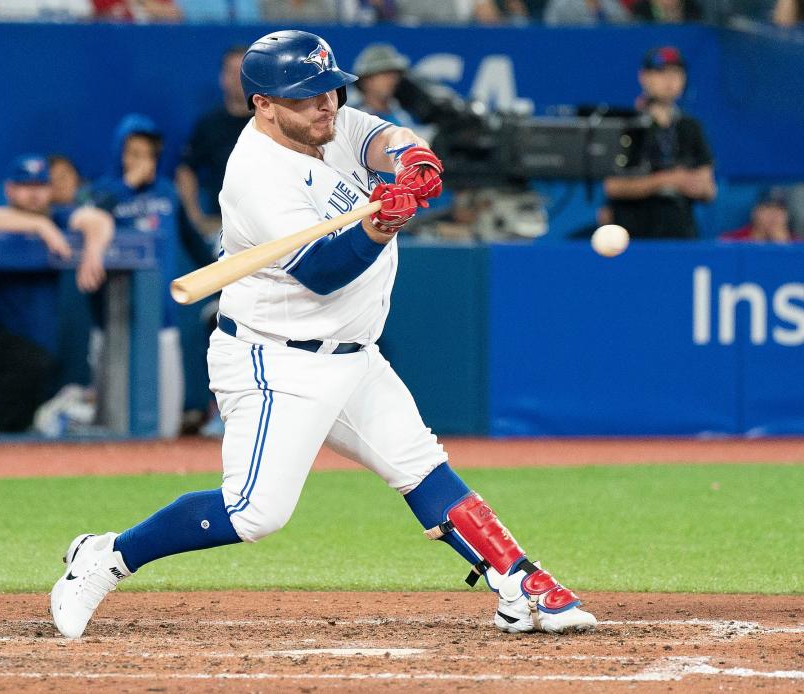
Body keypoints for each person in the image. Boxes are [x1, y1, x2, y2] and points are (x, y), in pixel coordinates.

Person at [49, 29, 596, 640]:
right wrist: (386, 223)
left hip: (353, 354)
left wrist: (413, 160)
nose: (327, 105)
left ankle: (518, 582)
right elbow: (322, 273)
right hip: (276, 359)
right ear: (264, 104)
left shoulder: (324, 122)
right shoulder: (256, 175)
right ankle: (106, 555)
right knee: (253, 513)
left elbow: (381, 136)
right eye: (308, 97)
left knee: (421, 468)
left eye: (330, 91)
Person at [0, 154, 113, 433]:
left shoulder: (58, 216)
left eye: (40, 186)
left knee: (24, 406)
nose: (33, 194)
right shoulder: (4, 219)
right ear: (10, 189)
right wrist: (40, 226)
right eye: (25, 186)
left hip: (34, 342)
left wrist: (94, 247)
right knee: (28, 366)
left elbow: (99, 220)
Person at [88, 114, 185, 438]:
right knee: (114, 422)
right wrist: (127, 185)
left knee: (167, 422)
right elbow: (90, 209)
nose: (141, 162)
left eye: (147, 155)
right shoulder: (103, 192)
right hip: (114, 323)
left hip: (163, 320)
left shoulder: (168, 193)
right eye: (133, 153)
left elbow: (194, 242)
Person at [604, 46, 716, 239]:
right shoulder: (626, 125)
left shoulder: (690, 127)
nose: (670, 80)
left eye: (676, 73)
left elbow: (708, 189)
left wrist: (696, 185)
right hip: (634, 235)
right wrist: (668, 180)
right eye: (661, 72)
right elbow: (613, 186)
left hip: (680, 234)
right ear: (644, 77)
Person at [175, 45, 250, 248]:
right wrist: (195, 217)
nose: (238, 79)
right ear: (222, 78)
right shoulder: (209, 125)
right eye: (232, 72)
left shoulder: (272, 120)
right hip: (225, 228)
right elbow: (186, 169)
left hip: (271, 223)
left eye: (244, 71)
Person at [348, 43, 416, 127]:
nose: (391, 80)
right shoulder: (350, 119)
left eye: (394, 75)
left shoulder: (406, 115)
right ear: (366, 80)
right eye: (385, 74)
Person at [720, 187, 797, 243]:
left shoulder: (798, 244)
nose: (773, 214)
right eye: (768, 207)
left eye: (779, 209)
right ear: (755, 212)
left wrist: (784, 245)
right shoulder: (732, 241)